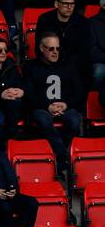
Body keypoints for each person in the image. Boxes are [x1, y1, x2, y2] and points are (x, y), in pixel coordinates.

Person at [23, 33, 84, 173]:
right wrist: (47, 106)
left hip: (65, 106)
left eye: (57, 48)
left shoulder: (68, 65)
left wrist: (66, 104)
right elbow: (29, 93)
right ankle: (63, 157)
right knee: (43, 120)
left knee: (74, 120)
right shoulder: (31, 67)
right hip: (41, 107)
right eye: (51, 49)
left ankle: (61, 154)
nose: (55, 52)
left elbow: (79, 90)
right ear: (41, 48)